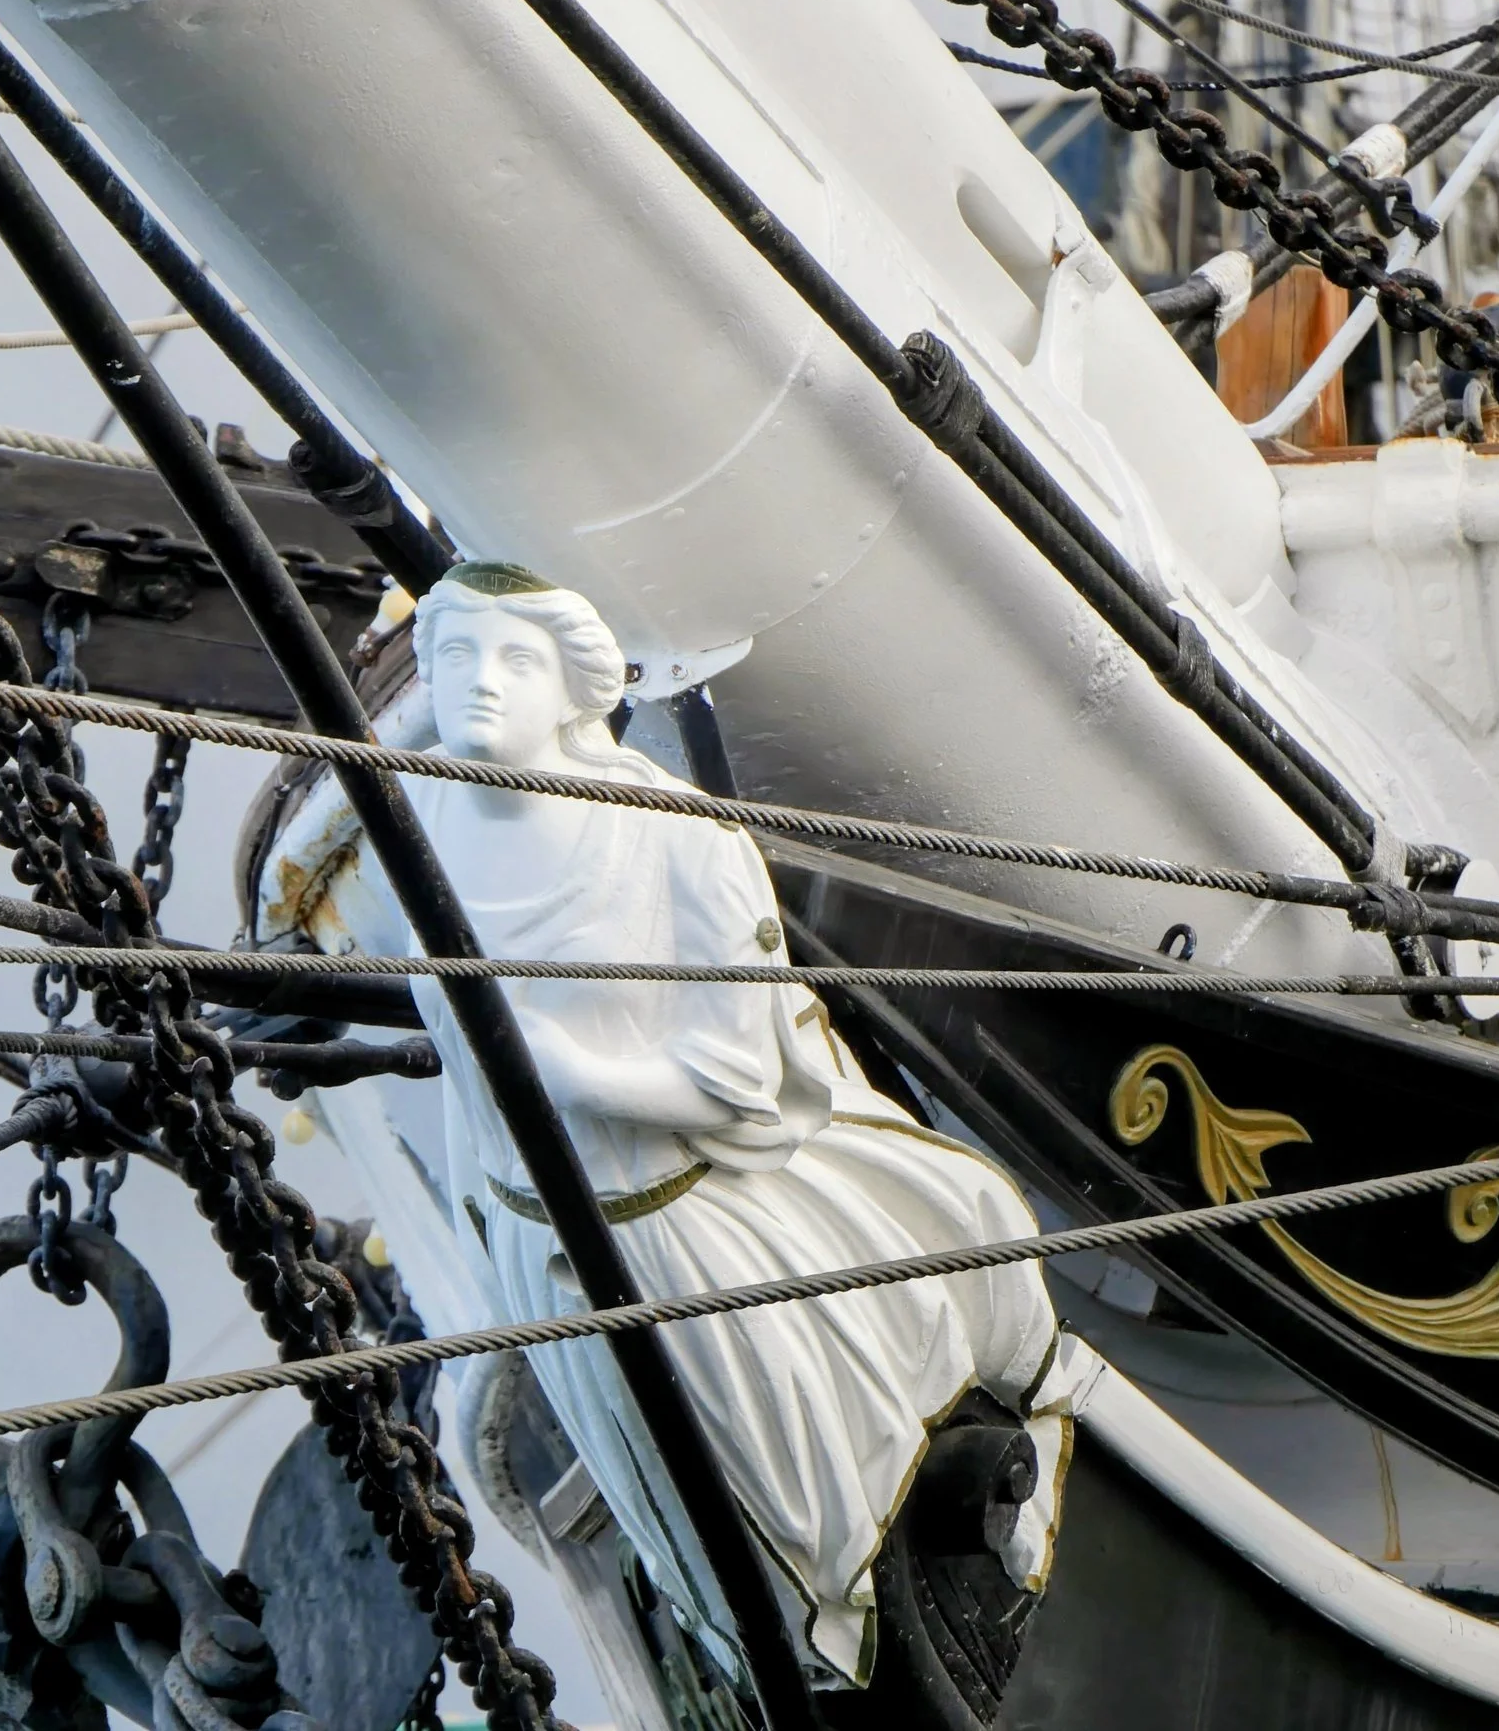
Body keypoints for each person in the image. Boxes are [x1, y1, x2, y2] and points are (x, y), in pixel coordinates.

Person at [370, 561, 1072, 1686]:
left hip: (672, 1231)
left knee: (802, 1519)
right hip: (537, 1243)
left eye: (516, 659)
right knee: (685, 1535)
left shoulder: (666, 838)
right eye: (457, 657)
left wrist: (558, 1067)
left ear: (576, 688)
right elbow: (455, 1059)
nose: (481, 687)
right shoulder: (421, 827)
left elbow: (738, 1077)